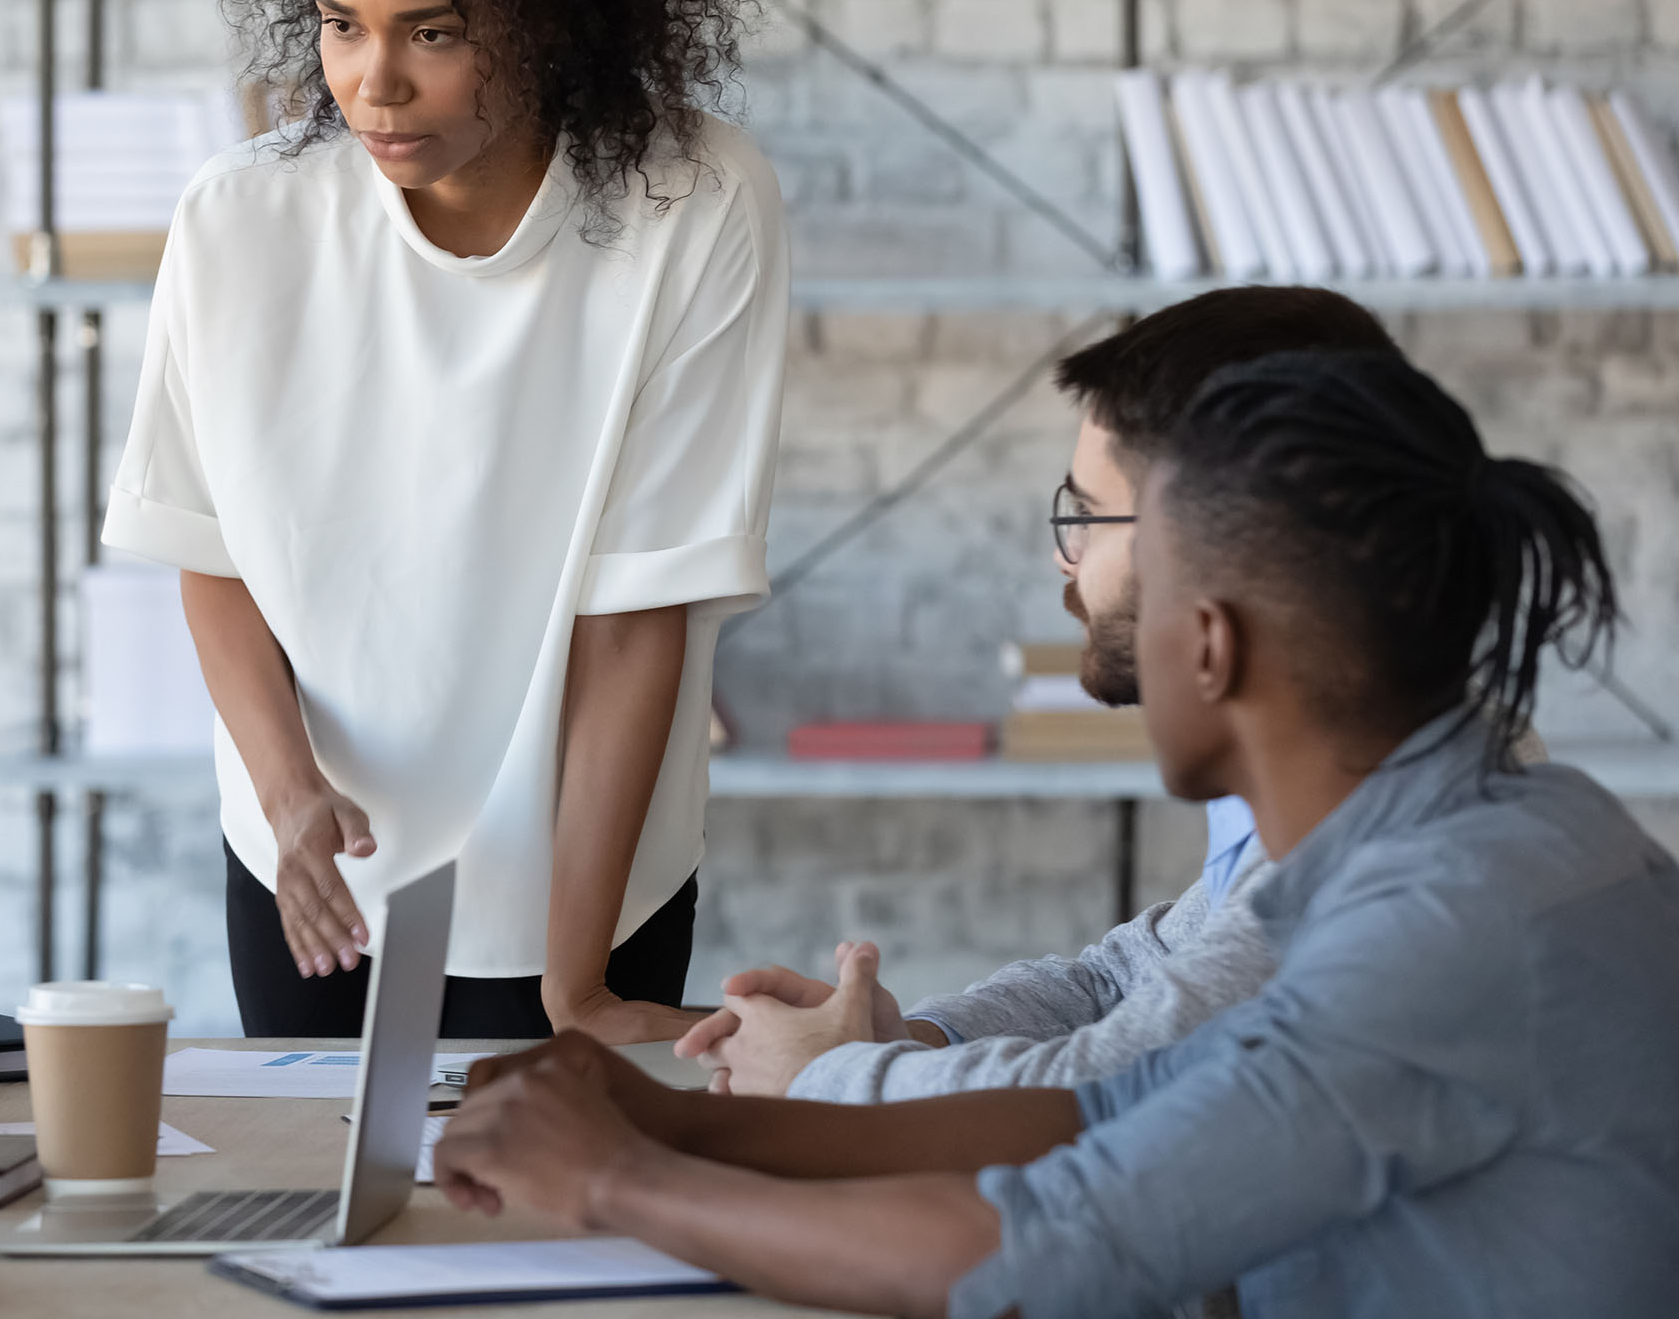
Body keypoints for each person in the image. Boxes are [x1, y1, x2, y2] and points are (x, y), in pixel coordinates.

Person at [432, 349, 1679, 1318]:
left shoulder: (1438, 933)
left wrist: (612, 1180)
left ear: (1210, 642)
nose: (1083, 587)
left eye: (1128, 565)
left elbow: (1033, 1248)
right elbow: (1118, 1107)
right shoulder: (1508, 834)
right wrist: (665, 1117)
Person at [105, 0, 786, 1041]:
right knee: (330, 1226)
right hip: (314, 865)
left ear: (549, 10)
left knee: (556, 1232)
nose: (374, 84)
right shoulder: (241, 222)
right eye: (341, 25)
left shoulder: (691, 206)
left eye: (436, 33)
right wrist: (291, 793)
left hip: (588, 881)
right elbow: (212, 554)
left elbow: (640, 618)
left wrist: (572, 982)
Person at [684, 285, 1414, 1100]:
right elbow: (1124, 980)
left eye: (1090, 516)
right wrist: (905, 1037)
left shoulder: (1364, 833)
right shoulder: (1329, 759)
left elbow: (1114, 1083)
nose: (1063, 561)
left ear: (1219, 544)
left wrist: (827, 1074)